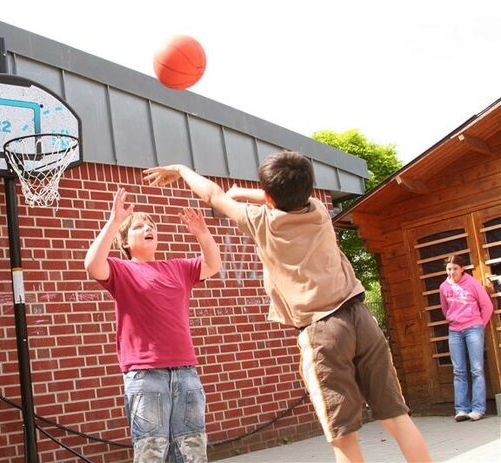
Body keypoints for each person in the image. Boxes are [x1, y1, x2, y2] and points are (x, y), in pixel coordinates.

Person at [143, 151, 431, 463]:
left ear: (266, 195)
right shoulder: (319, 211)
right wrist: (245, 192)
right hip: (361, 317)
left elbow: (212, 194)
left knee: (343, 435)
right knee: (397, 418)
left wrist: (181, 169)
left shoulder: (260, 222)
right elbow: (280, 196)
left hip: (323, 331)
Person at [84, 188, 221, 463]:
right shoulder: (121, 270)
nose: (149, 228)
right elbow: (92, 265)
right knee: (151, 452)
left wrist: (202, 234)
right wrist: (114, 221)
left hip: (186, 373)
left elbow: (213, 264)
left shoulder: (179, 268)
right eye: (139, 226)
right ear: (125, 242)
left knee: (193, 450)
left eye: (152, 225)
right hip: (145, 376)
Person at [439, 255, 493, 422]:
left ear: (462, 269)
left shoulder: (472, 283)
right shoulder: (443, 287)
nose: (452, 272)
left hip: (473, 329)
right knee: (458, 371)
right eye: (449, 269)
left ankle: (478, 409)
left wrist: (478, 326)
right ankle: (461, 409)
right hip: (454, 330)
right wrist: (454, 319)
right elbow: (445, 309)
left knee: (476, 369)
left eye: (455, 268)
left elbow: (487, 306)